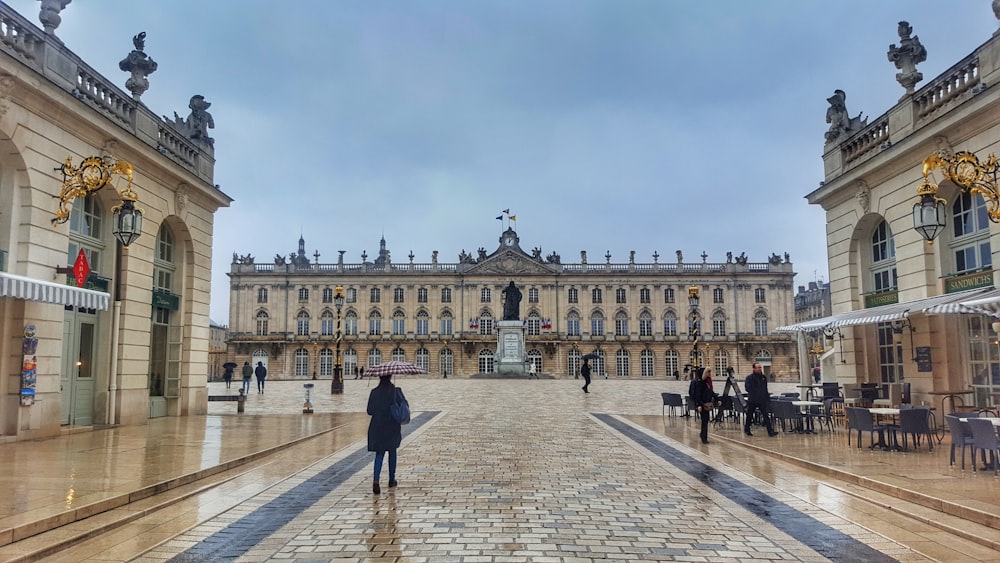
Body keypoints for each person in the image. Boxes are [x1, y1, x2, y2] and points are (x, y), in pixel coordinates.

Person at [367, 374, 405, 494]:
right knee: (392, 452)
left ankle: (376, 479)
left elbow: (369, 410)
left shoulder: (374, 392)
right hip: (392, 425)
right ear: (390, 377)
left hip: (377, 426)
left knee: (379, 453)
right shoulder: (395, 392)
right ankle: (391, 479)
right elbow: (403, 407)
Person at [744, 363, 778, 437]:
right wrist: (755, 392)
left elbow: (765, 389)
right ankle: (747, 429)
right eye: (758, 367)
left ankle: (770, 431)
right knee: (750, 414)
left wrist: (767, 398)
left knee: (766, 415)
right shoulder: (749, 378)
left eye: (760, 367)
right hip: (753, 399)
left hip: (762, 400)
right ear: (754, 369)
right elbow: (747, 388)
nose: (760, 369)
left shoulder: (763, 377)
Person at [691, 367, 718, 444]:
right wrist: (699, 405)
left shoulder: (707, 382)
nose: (710, 374)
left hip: (707, 403)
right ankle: (704, 438)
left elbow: (711, 392)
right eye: (708, 373)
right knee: (705, 420)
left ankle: (703, 435)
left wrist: (717, 399)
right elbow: (698, 395)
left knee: (705, 420)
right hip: (702, 404)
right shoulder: (700, 383)